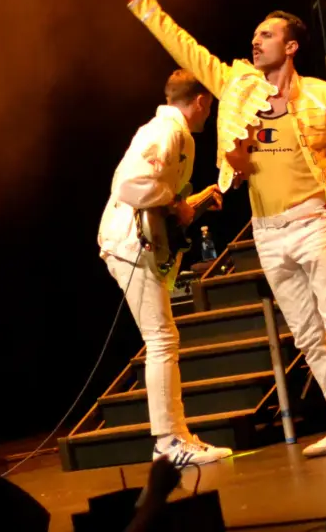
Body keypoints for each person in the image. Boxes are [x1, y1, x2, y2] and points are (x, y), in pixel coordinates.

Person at [119, 0, 326, 457]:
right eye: (256, 34)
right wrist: (142, 1)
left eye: (267, 35)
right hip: (267, 228)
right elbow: (185, 48)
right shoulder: (238, 83)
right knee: (306, 331)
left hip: (312, 219)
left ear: (291, 46)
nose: (255, 41)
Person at [97, 69, 233, 467]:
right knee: (160, 340)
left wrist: (194, 200)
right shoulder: (168, 131)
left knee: (163, 339)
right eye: (210, 105)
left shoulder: (169, 131)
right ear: (202, 101)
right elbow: (131, 186)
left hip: (135, 242)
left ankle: (175, 437)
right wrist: (176, 202)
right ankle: (169, 442)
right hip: (129, 243)